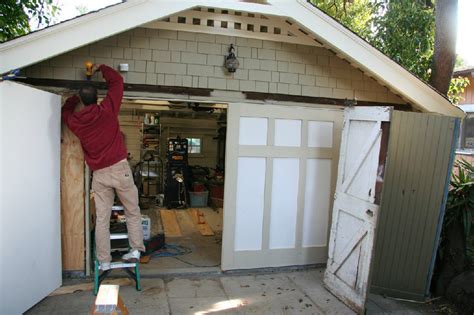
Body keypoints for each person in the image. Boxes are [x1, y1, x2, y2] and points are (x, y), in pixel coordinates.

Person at [61, 64, 145, 271]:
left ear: (82, 100)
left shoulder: (75, 122)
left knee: (102, 219)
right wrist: (102, 68)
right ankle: (135, 250)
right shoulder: (107, 110)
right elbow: (117, 81)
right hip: (119, 169)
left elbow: (65, 111)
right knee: (132, 211)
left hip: (99, 175)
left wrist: (73, 99)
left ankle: (104, 261)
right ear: (98, 98)